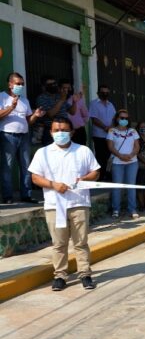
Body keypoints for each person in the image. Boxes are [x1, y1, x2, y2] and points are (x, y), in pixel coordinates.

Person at [28, 116, 100, 291]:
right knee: (59, 243)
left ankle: (85, 274)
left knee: (81, 242)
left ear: (72, 132)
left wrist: (84, 178)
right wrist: (53, 185)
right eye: (56, 130)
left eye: (64, 130)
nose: (60, 133)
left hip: (79, 203)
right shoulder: (42, 153)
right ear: (51, 132)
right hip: (54, 205)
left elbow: (95, 172)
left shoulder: (83, 151)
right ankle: (60, 275)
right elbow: (35, 177)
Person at [0, 72, 45, 204]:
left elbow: (28, 121)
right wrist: (11, 107)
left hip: (24, 135)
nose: (20, 86)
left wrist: (35, 115)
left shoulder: (25, 100)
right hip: (7, 136)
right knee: (7, 167)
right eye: (17, 83)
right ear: (10, 84)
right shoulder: (2, 97)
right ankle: (8, 196)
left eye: (22, 84)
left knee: (26, 166)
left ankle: (26, 195)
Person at [107, 110, 140, 219]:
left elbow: (137, 147)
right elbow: (110, 147)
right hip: (117, 162)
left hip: (132, 162)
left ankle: (132, 209)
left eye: (126, 118)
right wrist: (121, 156)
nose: (124, 120)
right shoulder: (111, 131)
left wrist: (130, 156)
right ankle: (116, 209)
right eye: (122, 118)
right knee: (117, 186)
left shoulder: (133, 131)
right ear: (117, 118)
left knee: (131, 186)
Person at [36, 76, 75, 146]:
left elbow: (72, 112)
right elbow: (51, 114)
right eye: (50, 85)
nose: (53, 86)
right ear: (44, 87)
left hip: (64, 130)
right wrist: (62, 100)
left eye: (54, 84)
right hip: (51, 131)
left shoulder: (59, 96)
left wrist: (75, 102)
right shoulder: (41, 98)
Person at [89, 84, 116, 180]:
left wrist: (111, 127)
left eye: (106, 92)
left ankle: (104, 175)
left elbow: (114, 118)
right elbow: (94, 119)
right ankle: (99, 177)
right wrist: (105, 127)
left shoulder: (110, 104)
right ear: (98, 93)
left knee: (108, 156)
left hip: (109, 135)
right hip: (99, 135)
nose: (105, 94)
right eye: (103, 92)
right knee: (100, 157)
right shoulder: (94, 103)